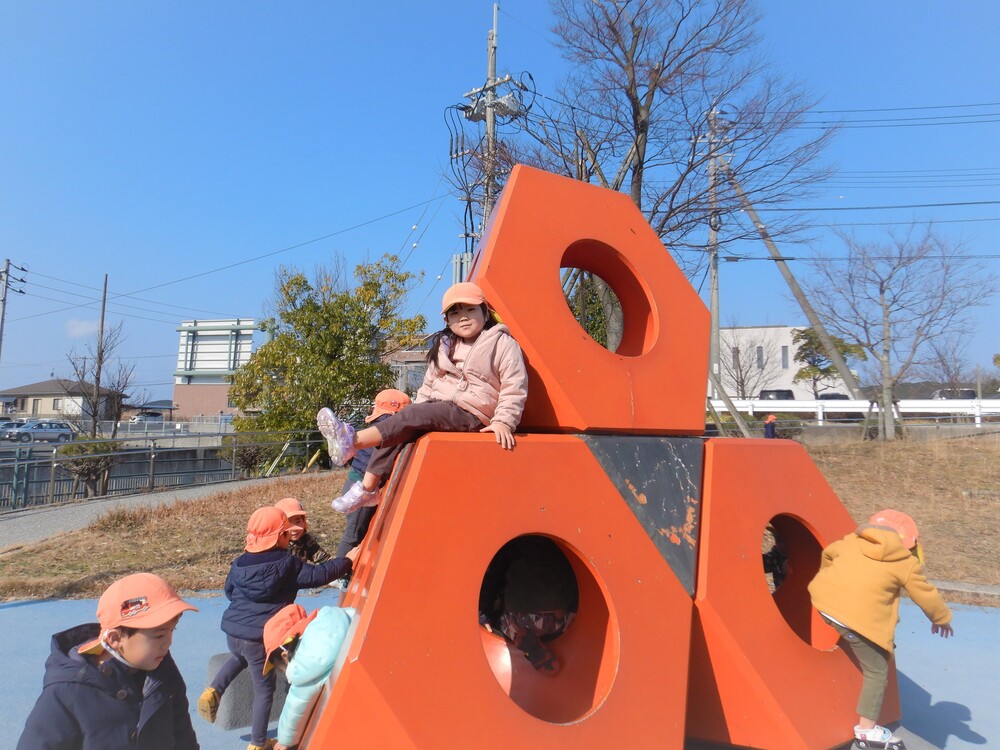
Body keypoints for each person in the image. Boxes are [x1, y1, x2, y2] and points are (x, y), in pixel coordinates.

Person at [318, 281, 528, 513]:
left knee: (412, 416)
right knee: (398, 428)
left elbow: (514, 385)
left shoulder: (501, 343)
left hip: (473, 412)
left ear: (485, 312)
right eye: (455, 313)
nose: (463, 318)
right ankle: (367, 489)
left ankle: (353, 441)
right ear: (447, 320)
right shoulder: (445, 346)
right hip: (437, 407)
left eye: (470, 309)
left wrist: (503, 421)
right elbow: (429, 384)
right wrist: (411, 415)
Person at [197, 507, 352, 750]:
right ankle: (258, 744)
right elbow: (319, 575)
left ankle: (213, 691)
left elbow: (229, 591)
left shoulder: (238, 563)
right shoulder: (286, 563)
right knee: (264, 689)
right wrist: (347, 560)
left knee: (239, 657)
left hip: (233, 631)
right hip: (260, 637)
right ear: (281, 537)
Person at [808, 509, 954, 750]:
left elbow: (827, 554)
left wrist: (828, 579)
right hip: (852, 619)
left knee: (858, 633)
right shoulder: (904, 562)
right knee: (877, 670)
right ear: (910, 542)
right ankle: (866, 731)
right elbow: (925, 594)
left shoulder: (851, 541)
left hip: (823, 603)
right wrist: (941, 618)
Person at [16, 572, 200, 750]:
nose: (168, 642)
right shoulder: (68, 691)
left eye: (172, 631)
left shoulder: (164, 676)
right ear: (115, 639)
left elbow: (184, 740)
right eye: (159, 635)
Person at [333, 389, 412, 575]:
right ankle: (339, 571)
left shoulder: (376, 427)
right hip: (361, 486)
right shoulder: (391, 429)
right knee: (354, 532)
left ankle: (348, 439)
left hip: (355, 479)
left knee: (357, 530)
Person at [260, 604, 356, 750]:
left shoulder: (305, 666)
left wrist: (284, 741)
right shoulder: (337, 618)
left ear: (285, 655)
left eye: (283, 668)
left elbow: (296, 705)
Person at [274, 497, 331, 564]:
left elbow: (325, 560)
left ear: (304, 521)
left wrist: (342, 564)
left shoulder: (305, 540)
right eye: (288, 524)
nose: (295, 528)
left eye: (298, 522)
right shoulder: (275, 546)